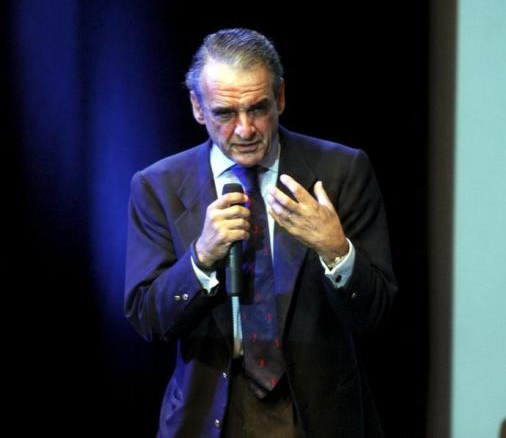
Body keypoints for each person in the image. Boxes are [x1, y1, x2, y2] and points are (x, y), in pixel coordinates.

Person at [124, 28, 397, 437]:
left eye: (258, 108)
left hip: (317, 414)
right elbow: (148, 320)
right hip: (209, 414)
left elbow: (374, 313)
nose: (245, 129)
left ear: (280, 97)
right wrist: (201, 257)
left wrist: (336, 250)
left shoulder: (342, 172)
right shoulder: (158, 186)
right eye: (225, 113)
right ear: (198, 107)